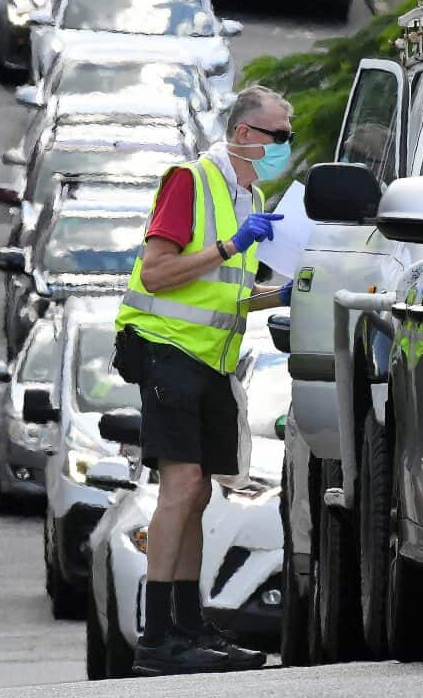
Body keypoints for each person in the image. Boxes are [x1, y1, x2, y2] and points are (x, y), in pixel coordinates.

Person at [114, 85, 296, 676]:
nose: (283, 147)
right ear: (245, 135)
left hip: (210, 360)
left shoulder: (252, 194)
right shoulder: (191, 181)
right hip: (166, 351)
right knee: (182, 485)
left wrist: (281, 294)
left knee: (201, 490)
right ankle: (158, 635)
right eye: (280, 135)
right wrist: (228, 246)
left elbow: (224, 300)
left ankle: (188, 627)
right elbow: (159, 272)